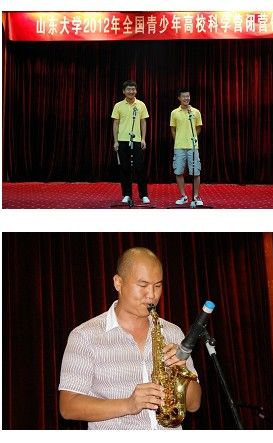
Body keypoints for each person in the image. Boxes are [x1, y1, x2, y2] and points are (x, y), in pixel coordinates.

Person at [58, 247, 202, 429]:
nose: (152, 295)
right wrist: (128, 404)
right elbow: (68, 406)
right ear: (118, 283)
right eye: (143, 285)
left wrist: (181, 369)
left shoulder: (173, 332)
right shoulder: (85, 336)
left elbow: (194, 404)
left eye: (158, 286)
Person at [111, 80, 151, 205]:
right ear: (124, 91)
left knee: (139, 168)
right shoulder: (118, 105)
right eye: (128, 89)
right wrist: (116, 141)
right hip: (122, 140)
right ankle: (127, 194)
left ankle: (144, 195)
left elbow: (143, 122)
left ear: (136, 91)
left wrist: (143, 138)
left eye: (133, 89)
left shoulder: (141, 104)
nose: (131, 91)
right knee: (125, 168)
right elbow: (116, 123)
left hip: (136, 140)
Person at [170, 88, 203, 207]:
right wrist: (178, 140)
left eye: (188, 96)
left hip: (193, 147)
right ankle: (183, 196)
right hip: (179, 147)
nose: (186, 98)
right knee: (178, 171)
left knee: (196, 172)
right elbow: (173, 129)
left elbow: (198, 127)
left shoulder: (195, 112)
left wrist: (192, 138)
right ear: (179, 98)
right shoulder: (174, 112)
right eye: (184, 96)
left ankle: (196, 196)